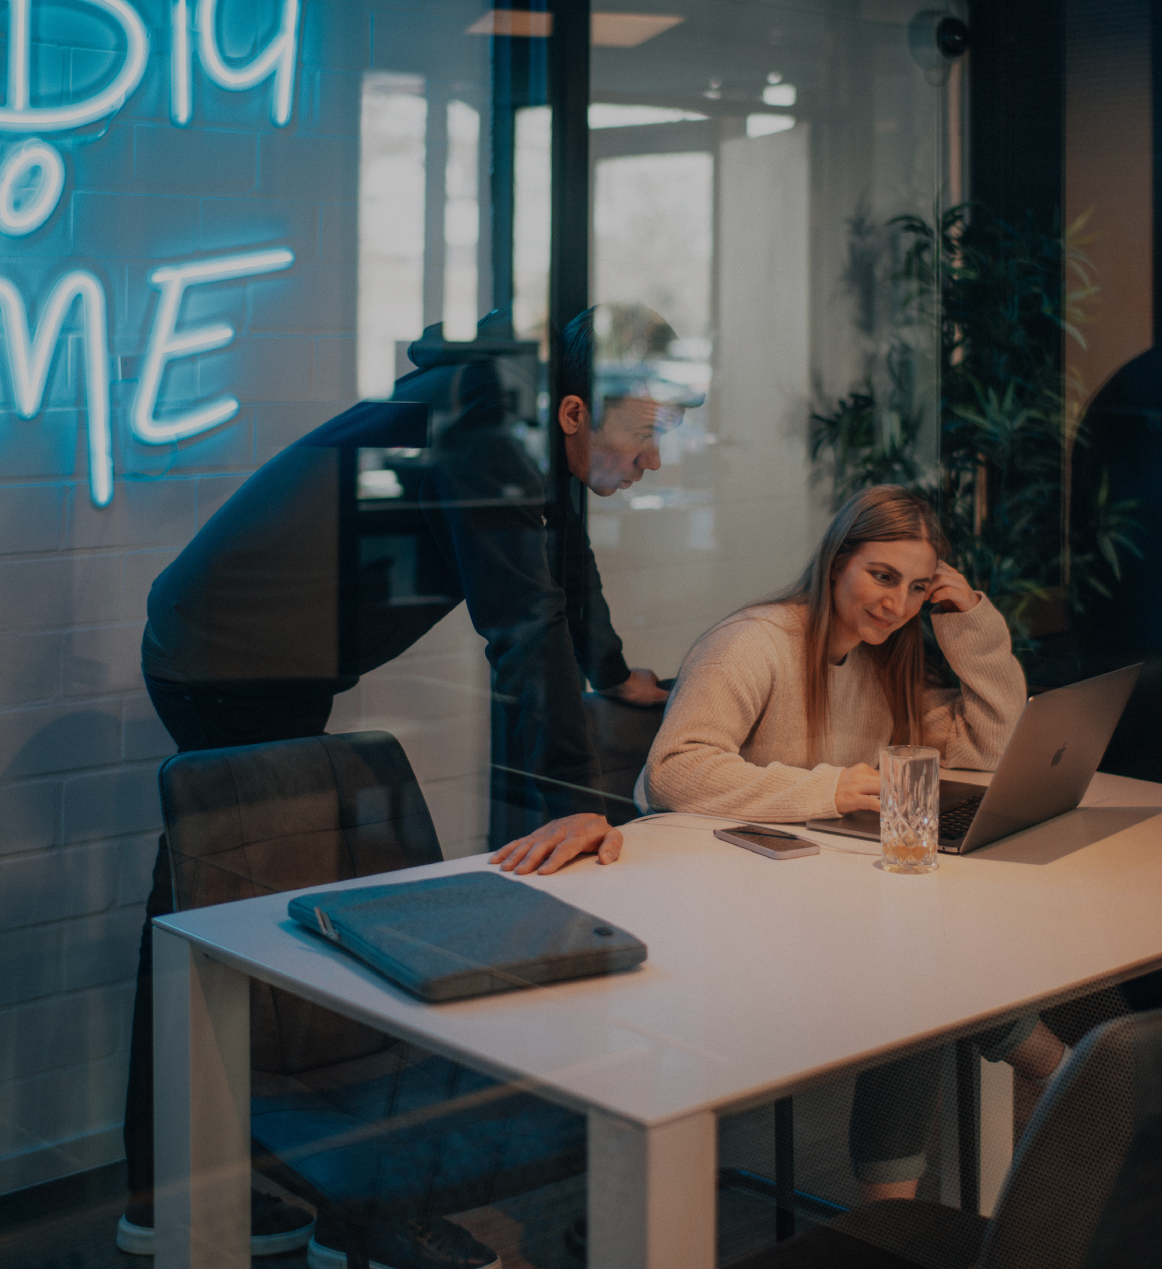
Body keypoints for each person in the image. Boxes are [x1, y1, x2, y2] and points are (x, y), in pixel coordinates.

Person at [120, 304, 696, 1263]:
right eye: (645, 432)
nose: (653, 459)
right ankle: (242, 1196)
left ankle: (193, 1184)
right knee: (225, 919)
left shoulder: (502, 419)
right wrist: (573, 805)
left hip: (243, 648)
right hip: (229, 655)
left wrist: (614, 673)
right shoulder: (485, 429)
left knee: (216, 913)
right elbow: (520, 625)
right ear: (571, 411)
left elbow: (557, 562)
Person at [493, 485, 1071, 1198]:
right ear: (836, 562)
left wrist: (971, 625)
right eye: (881, 576)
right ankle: (1038, 1068)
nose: (896, 604)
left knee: (922, 956)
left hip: (803, 893)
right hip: (718, 912)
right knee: (922, 963)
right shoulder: (755, 641)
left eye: (918, 587)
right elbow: (675, 771)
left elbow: (989, 749)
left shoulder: (880, 657)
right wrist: (829, 789)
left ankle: (899, 1195)